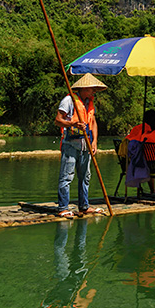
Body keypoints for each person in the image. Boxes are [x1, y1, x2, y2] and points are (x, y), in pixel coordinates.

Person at [55, 73, 108, 218]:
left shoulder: (89, 103)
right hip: (71, 144)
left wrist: (95, 141)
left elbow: (93, 122)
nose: (93, 92)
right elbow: (58, 120)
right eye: (92, 89)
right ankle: (63, 208)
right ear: (84, 88)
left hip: (86, 145)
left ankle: (84, 206)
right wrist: (72, 123)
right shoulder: (69, 100)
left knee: (85, 176)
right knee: (67, 176)